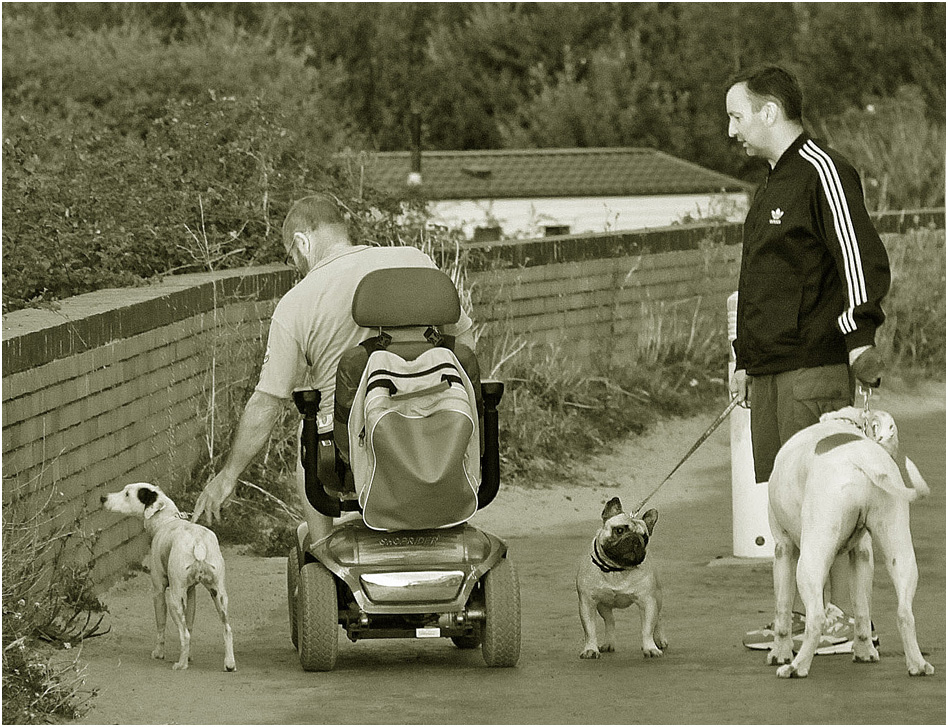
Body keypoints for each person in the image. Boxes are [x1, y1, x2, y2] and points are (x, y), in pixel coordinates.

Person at [191, 195, 474, 541]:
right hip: (441, 431)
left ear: (302, 242)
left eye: (292, 258)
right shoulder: (415, 261)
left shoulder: (297, 302)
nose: (296, 266)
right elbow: (464, 342)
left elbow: (267, 402)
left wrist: (228, 475)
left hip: (351, 450)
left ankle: (322, 545)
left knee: (308, 433)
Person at [725, 65, 890, 652]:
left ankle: (842, 621)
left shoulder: (824, 170)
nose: (731, 131)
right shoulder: (772, 182)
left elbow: (858, 257)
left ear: (770, 111)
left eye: (737, 115)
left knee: (825, 500)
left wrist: (860, 335)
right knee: (785, 501)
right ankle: (797, 617)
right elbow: (762, 282)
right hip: (769, 368)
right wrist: (746, 361)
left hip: (813, 366)